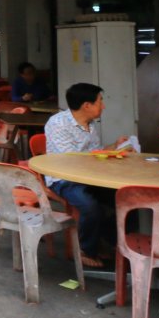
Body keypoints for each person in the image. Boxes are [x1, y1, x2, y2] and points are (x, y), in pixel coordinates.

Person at [42, 82, 131, 268]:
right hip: (64, 179)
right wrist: (98, 157)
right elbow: (69, 159)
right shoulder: (58, 123)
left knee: (124, 199)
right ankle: (85, 249)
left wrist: (115, 147)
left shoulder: (90, 126)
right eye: (100, 101)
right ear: (87, 106)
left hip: (88, 178)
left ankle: (114, 243)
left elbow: (95, 152)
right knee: (90, 207)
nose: (103, 106)